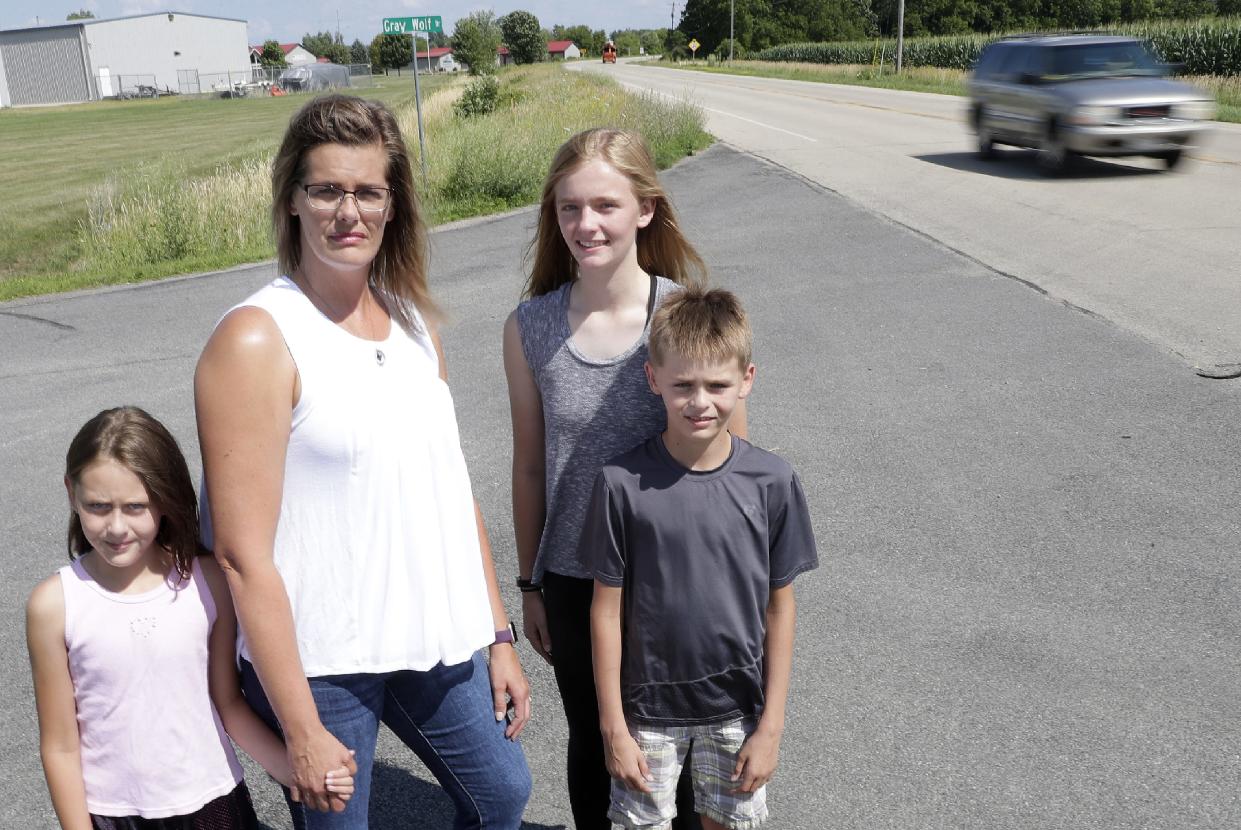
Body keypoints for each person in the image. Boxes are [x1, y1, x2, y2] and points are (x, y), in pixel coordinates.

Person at [194, 94, 532, 830]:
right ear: (292, 200)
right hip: (320, 658)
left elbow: (451, 494)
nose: (347, 211)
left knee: (501, 792)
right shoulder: (256, 339)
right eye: (326, 190)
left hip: (429, 636)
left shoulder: (413, 324)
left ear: (392, 203)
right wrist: (301, 726)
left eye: (368, 191)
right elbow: (242, 555)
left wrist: (497, 636)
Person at [503, 127, 734, 829]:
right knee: (600, 748)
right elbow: (530, 464)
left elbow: (732, 464)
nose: (584, 224)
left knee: (689, 755)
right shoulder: (529, 327)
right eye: (569, 209)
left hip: (681, 580)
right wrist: (531, 582)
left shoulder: (684, 316)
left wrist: (736, 588)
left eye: (604, 205)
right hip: (575, 581)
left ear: (644, 209)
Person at [26, 406, 354, 830]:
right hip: (113, 814)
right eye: (98, 506)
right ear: (71, 492)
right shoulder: (53, 605)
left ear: (164, 500)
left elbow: (228, 703)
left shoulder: (208, 581)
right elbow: (60, 747)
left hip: (215, 802)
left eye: (136, 506)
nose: (116, 526)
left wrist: (296, 771)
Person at [586, 289, 819, 830]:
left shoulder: (773, 482)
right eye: (683, 385)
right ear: (653, 380)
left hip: (740, 708)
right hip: (646, 713)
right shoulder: (620, 484)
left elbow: (780, 607)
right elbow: (604, 610)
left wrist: (772, 727)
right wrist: (613, 728)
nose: (701, 401)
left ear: (747, 380)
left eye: (717, 386)